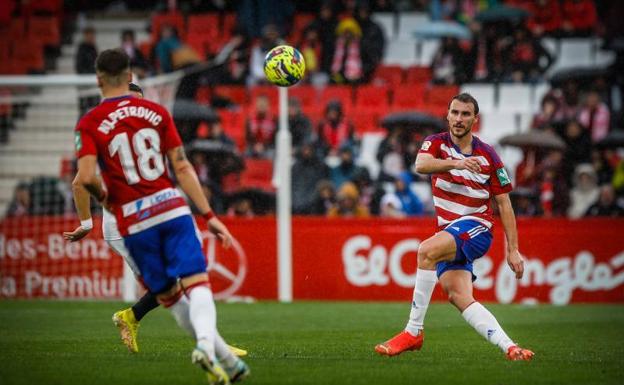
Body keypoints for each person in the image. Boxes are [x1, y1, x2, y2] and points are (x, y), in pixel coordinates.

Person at [62, 50, 249, 384]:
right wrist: (209, 215)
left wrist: (108, 202)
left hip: (132, 219)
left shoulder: (88, 123)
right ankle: (212, 348)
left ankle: (217, 352)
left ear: (98, 79)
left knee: (169, 294)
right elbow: (181, 165)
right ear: (130, 75)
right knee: (196, 280)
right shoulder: (156, 112)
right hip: (170, 206)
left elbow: (86, 177)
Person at [374, 93, 534, 361]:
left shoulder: (489, 155)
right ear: (447, 115)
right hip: (449, 231)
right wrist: (457, 163)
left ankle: (413, 331)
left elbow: (504, 204)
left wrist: (513, 250)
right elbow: (421, 164)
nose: (459, 119)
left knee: (426, 251)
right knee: (458, 295)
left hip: (477, 227)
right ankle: (511, 347)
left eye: (465, 114)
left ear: (475, 119)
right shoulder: (434, 143)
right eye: (455, 113)